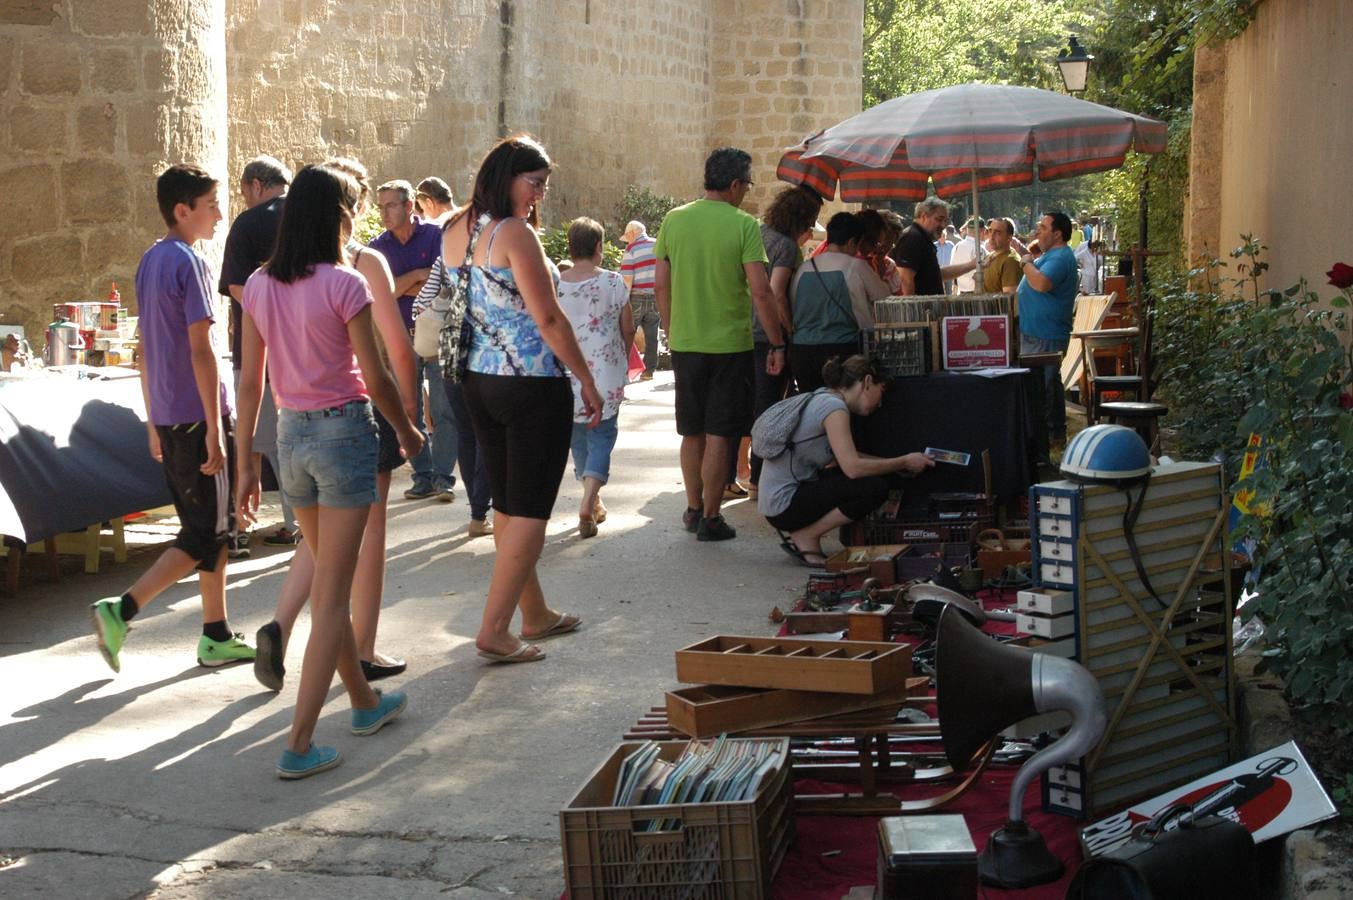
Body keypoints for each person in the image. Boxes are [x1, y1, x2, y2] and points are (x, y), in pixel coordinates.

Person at [237, 163, 422, 779]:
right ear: (337, 217)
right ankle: (299, 742)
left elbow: (250, 380)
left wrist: (245, 461)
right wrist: (405, 428)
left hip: (291, 438)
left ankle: (365, 704)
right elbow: (376, 376)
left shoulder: (261, 285)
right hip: (343, 435)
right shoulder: (345, 283)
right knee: (331, 597)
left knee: (328, 587)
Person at [440, 134, 601, 664]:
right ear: (507, 176)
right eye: (534, 184)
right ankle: (494, 629)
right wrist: (586, 377)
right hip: (531, 382)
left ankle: (534, 613)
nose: (539, 196)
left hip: (477, 380)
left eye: (543, 187)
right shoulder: (514, 233)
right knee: (530, 510)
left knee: (509, 503)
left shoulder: (456, 229)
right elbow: (548, 318)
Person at [90, 164, 256, 672]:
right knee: (205, 533)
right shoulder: (191, 262)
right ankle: (123, 609)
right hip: (196, 415)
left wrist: (150, 420)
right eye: (211, 205)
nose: (220, 214)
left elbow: (146, 348)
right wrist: (215, 427)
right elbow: (200, 348)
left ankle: (215, 633)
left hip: (168, 415)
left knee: (211, 527)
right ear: (183, 211)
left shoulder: (150, 260)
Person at [654, 147, 786, 542]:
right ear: (734, 185)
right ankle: (712, 518)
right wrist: (777, 343)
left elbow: (661, 282)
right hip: (730, 345)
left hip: (686, 343)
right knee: (720, 433)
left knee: (691, 431)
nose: (746, 191)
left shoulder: (673, 221)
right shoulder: (743, 225)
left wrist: (672, 326)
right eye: (747, 184)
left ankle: (693, 509)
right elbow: (762, 292)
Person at [758, 355, 933, 565]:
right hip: (785, 505)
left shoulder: (824, 397)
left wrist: (894, 465)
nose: (880, 403)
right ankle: (808, 535)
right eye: (881, 391)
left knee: (871, 478)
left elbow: (847, 456)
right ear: (867, 382)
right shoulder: (834, 409)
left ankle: (806, 534)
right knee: (874, 488)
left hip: (775, 502)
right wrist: (903, 462)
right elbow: (853, 468)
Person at [217, 154, 296, 552]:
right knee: (290, 435)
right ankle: (295, 519)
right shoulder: (305, 217)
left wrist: (273, 319)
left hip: (258, 348)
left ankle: (241, 526)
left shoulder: (248, 223)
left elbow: (236, 288)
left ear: (255, 185)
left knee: (255, 438)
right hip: (306, 350)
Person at [369, 179, 454, 502]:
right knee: (408, 411)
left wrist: (403, 284)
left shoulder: (436, 236)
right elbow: (383, 292)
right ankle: (423, 474)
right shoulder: (378, 248)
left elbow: (444, 283)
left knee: (445, 410)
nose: (384, 213)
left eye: (390, 205)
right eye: (380, 207)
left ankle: (443, 478)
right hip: (399, 337)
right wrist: (419, 276)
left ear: (408, 206)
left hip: (436, 334)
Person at [558, 217, 634, 537]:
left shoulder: (556, 283)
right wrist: (620, 355)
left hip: (566, 374)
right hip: (605, 374)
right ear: (599, 247)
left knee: (578, 436)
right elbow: (628, 328)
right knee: (602, 435)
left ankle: (593, 498)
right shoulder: (613, 282)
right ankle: (589, 501)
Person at [751, 185, 822, 496]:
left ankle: (734, 477)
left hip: (742, 330)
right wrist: (789, 332)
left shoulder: (756, 233)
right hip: (770, 335)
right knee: (770, 409)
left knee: (750, 405)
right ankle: (759, 479)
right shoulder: (786, 247)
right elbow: (777, 290)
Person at [788, 212, 891, 392]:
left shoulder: (805, 267)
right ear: (852, 242)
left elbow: (793, 304)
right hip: (843, 352)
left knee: (811, 407)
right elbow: (883, 297)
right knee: (841, 406)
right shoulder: (856, 266)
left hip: (802, 351)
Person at [1017, 211, 1081, 443]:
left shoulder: (1061, 257)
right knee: (1044, 384)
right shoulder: (1052, 255)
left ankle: (1050, 436)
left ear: (1057, 234)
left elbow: (1041, 283)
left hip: (1046, 334)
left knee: (1045, 386)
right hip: (1037, 332)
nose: (1038, 231)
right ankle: (1050, 433)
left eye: (1043, 228)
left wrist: (1025, 263)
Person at [892, 197, 975, 296]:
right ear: (924, 216)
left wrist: (972, 265)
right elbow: (905, 280)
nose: (943, 225)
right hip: (922, 310)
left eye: (945, 221)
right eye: (939, 219)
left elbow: (935, 274)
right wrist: (914, 311)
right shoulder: (912, 238)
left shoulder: (922, 238)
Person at [619, 220, 660, 380]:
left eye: (627, 237)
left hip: (636, 296)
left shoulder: (631, 249)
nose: (627, 241)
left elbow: (627, 279)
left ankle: (623, 370)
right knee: (652, 334)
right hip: (656, 295)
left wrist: (623, 300)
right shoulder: (658, 245)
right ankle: (649, 371)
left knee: (627, 333)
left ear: (632, 233)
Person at [981, 217, 1023, 295]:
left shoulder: (1011, 261)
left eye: (997, 233)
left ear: (1009, 238)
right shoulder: (989, 257)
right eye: (990, 231)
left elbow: (1009, 299)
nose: (992, 236)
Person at [949, 218, 985, 294]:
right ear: (982, 231)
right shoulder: (980, 249)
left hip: (961, 292)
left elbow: (953, 271)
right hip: (977, 293)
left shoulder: (957, 246)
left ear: (967, 230)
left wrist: (954, 292)